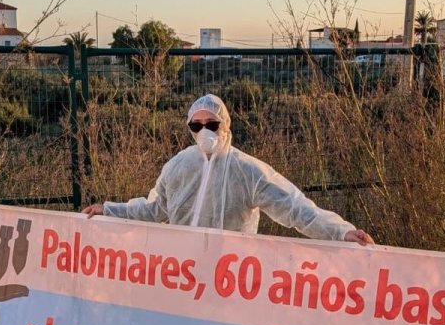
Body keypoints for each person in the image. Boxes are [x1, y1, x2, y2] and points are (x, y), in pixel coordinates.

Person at [81, 94, 374, 245]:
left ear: (225, 125)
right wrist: (107, 210)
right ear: (189, 128)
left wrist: (341, 233)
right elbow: (154, 209)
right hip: (179, 274)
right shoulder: (177, 166)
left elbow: (295, 208)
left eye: (212, 124)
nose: (204, 130)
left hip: (230, 278)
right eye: (197, 125)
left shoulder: (247, 171)